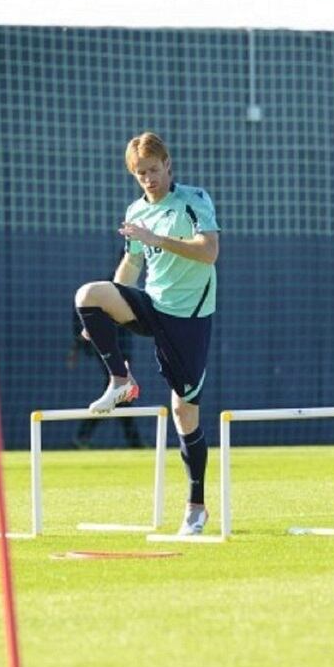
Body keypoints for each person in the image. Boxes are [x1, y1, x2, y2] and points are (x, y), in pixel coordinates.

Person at [73, 132, 219, 535]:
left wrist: (158, 240)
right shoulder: (135, 211)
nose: (149, 180)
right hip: (153, 306)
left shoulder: (194, 200)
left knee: (183, 411)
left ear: (168, 165)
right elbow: (130, 268)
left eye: (154, 170)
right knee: (88, 294)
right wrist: (106, 312)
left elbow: (209, 252)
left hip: (188, 318)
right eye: (140, 174)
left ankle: (196, 507)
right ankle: (120, 380)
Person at [67, 308, 143, 449]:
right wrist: (77, 345)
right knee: (120, 392)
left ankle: (83, 436)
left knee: (120, 394)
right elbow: (83, 319)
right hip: (105, 344)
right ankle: (134, 442)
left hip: (122, 344)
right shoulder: (90, 295)